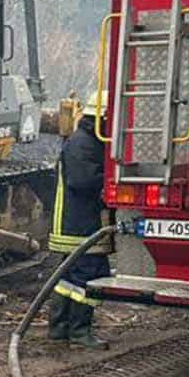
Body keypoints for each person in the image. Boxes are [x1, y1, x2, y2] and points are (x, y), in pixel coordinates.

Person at [47, 91, 112, 349]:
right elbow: (82, 181)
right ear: (101, 118)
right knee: (88, 273)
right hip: (78, 224)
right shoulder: (82, 144)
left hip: (79, 222)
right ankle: (79, 332)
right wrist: (112, 181)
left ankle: (59, 327)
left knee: (69, 276)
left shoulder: (88, 141)